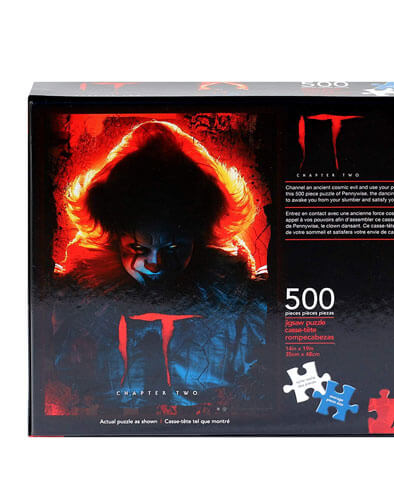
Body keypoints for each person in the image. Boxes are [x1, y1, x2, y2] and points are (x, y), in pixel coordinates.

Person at [47, 121, 268, 414]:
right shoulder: (69, 306)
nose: (155, 264)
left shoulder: (245, 307)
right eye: (138, 249)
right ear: (114, 240)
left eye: (173, 248)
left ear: (199, 239)